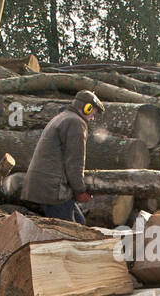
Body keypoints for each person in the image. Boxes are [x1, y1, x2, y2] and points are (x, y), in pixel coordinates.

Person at [20, 89, 104, 223]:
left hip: (45, 185)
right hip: (53, 190)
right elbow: (74, 163)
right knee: (69, 233)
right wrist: (80, 191)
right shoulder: (76, 123)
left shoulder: (62, 117)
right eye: (93, 113)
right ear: (87, 108)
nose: (93, 118)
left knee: (80, 223)